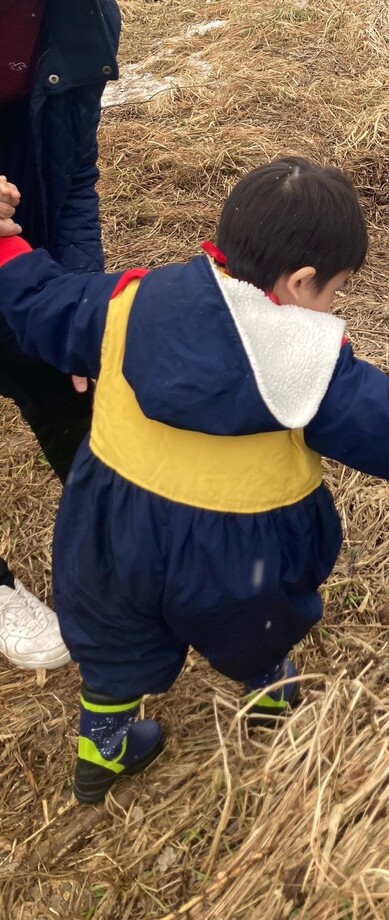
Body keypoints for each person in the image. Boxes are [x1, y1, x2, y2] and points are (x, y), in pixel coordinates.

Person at [0, 159, 389, 803]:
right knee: (256, 626)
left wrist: (6, 240)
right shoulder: (309, 363)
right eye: (336, 288)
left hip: (112, 533)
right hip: (236, 555)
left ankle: (102, 755)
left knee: (115, 644)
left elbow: (38, 301)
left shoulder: (130, 298)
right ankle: (269, 691)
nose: (334, 303)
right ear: (302, 279)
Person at [0, 0, 120, 669]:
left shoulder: (86, 17)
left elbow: (75, 177)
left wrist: (80, 303)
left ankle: (127, 545)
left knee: (70, 392)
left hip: (24, 250)